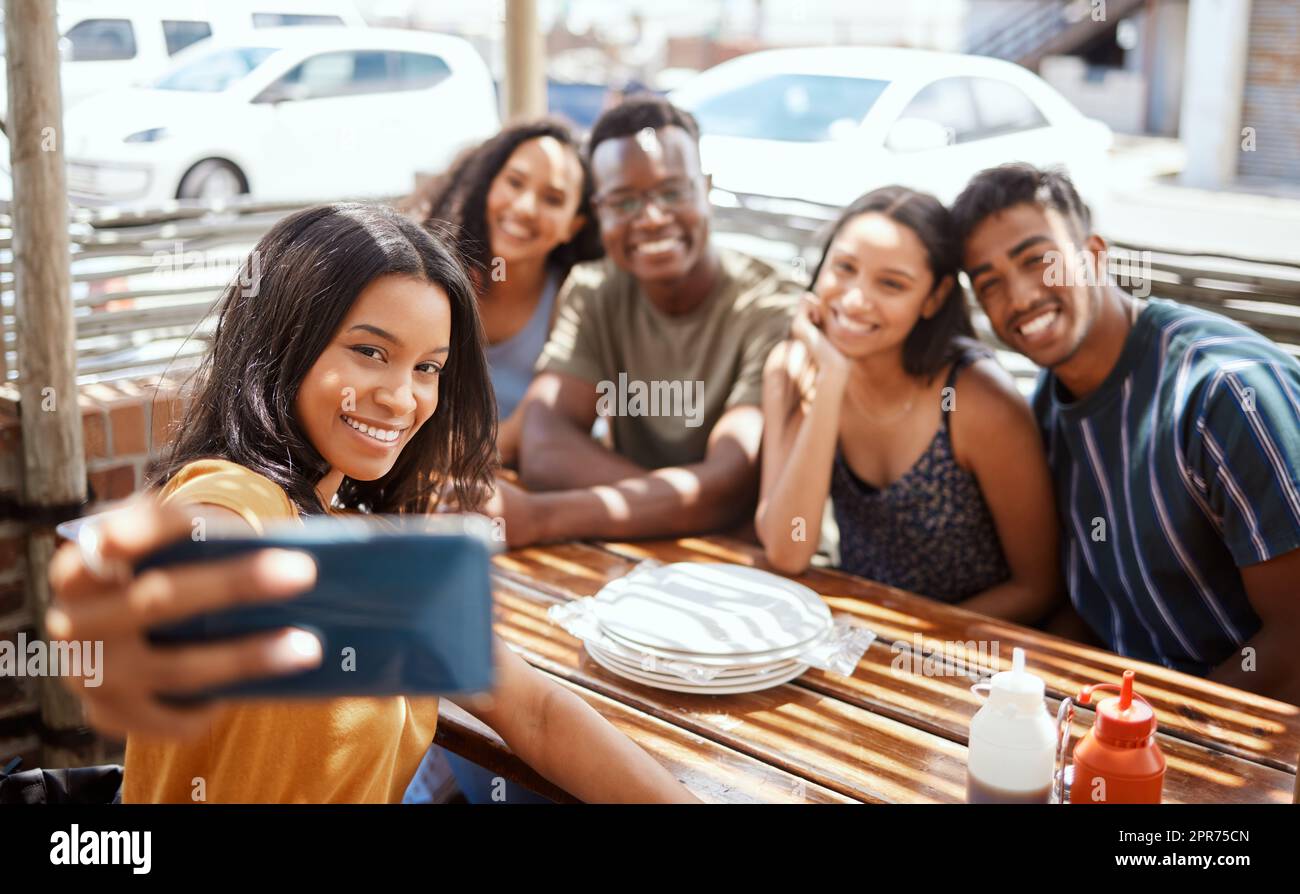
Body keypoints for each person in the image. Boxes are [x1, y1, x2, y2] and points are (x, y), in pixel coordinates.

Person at [46, 203, 698, 802]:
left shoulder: (370, 550)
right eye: (369, 351)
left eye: (427, 367)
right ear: (285, 344)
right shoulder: (237, 496)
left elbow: (537, 713)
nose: (400, 396)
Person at [954, 163, 1300, 705]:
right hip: (1121, 712)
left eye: (1039, 261)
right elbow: (1086, 607)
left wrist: (1148, 735)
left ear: (1093, 255)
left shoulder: (1221, 393)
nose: (1019, 298)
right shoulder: (1044, 410)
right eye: (990, 282)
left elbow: (1293, 646)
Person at [487, 97, 800, 548]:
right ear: (600, 211)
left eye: (672, 193)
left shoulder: (771, 304)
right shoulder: (594, 289)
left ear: (706, 190)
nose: (652, 218)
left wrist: (541, 517)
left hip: (755, 567)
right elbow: (544, 445)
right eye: (624, 201)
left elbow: (734, 478)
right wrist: (686, 505)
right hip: (646, 552)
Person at [755, 187, 1059, 621]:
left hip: (970, 649)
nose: (855, 299)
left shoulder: (976, 400)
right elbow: (787, 551)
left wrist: (908, 645)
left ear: (934, 298)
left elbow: (1038, 588)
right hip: (861, 636)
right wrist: (831, 379)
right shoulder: (793, 369)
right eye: (844, 268)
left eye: (891, 284)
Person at [404, 118, 603, 466]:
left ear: (573, 226)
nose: (525, 208)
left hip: (509, 477)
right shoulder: (430, 276)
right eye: (514, 182)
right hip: (410, 465)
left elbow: (524, 435)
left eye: (553, 199)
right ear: (487, 185)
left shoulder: (574, 296)